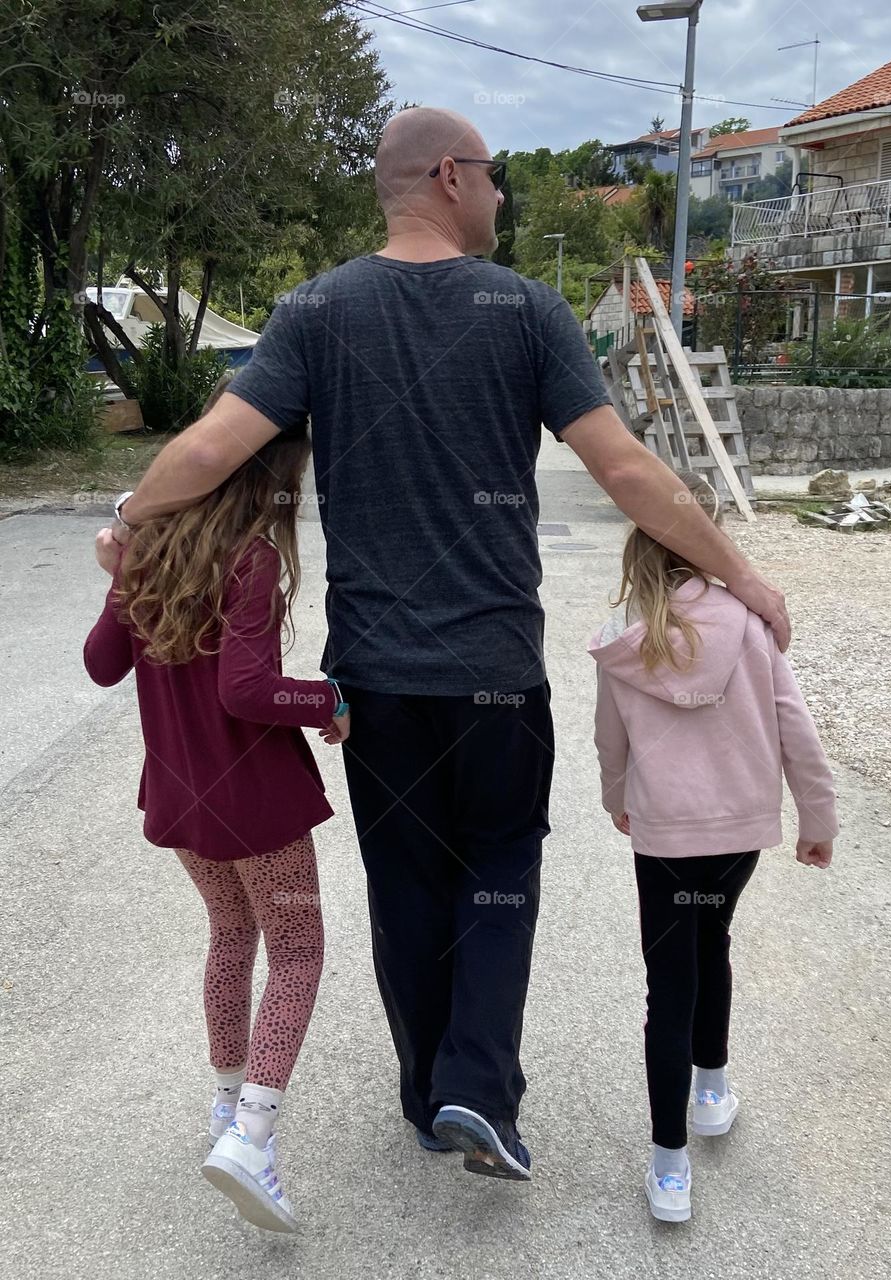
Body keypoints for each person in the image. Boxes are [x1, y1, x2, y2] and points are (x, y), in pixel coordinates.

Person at [95, 106, 791, 1182]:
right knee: (502, 870)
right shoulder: (525, 310)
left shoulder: (315, 309)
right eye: (498, 180)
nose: (505, 199)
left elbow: (212, 446)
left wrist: (129, 517)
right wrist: (740, 572)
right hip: (497, 680)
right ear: (452, 176)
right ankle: (477, 1085)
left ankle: (431, 1100)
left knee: (409, 884)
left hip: (375, 683)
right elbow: (629, 472)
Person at [84, 375, 349, 1233]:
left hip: (181, 800)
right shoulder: (251, 554)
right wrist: (330, 701)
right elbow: (247, 692)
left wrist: (118, 573)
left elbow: (100, 663)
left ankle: (225, 1106)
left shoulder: (153, 546)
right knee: (299, 949)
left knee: (232, 939)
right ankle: (254, 1138)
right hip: (256, 802)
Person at [589, 471, 838, 1223]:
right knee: (714, 944)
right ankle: (710, 1091)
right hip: (738, 833)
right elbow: (796, 728)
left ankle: (669, 1169)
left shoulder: (624, 641)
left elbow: (610, 741)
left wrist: (617, 801)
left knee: (668, 984)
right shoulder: (752, 627)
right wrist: (817, 818)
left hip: (664, 831)